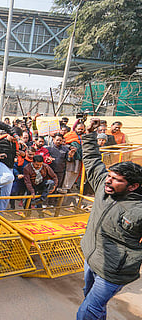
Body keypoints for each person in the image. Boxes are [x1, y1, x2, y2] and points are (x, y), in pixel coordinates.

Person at [77, 119, 142, 320]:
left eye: (116, 179)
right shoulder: (102, 186)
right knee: (91, 301)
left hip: (114, 272)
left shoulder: (139, 209)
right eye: (109, 175)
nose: (108, 180)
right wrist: (89, 134)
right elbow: (92, 160)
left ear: (132, 187)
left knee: (87, 312)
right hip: (92, 258)